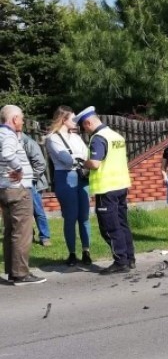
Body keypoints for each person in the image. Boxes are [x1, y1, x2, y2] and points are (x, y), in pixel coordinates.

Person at [75, 106, 135, 274]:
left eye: (84, 127)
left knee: (110, 227)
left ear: (88, 122)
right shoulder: (115, 135)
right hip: (121, 185)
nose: (85, 131)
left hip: (106, 189)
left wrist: (82, 162)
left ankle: (120, 261)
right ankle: (130, 259)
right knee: (123, 224)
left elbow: (95, 163)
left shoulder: (98, 138)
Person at [0, 105, 46, 285]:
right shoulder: (9, 135)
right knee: (22, 232)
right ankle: (20, 274)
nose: (23, 121)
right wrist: (19, 169)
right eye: (21, 118)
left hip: (5, 188)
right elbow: (8, 153)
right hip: (18, 189)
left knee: (10, 230)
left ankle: (12, 271)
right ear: (14, 119)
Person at [45, 105, 92, 266]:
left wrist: (78, 157)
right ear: (63, 119)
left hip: (81, 176)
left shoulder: (76, 137)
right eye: (73, 118)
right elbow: (66, 159)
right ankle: (72, 253)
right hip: (65, 176)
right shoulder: (53, 137)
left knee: (84, 216)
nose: (76, 121)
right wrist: (79, 157)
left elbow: (86, 154)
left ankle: (86, 251)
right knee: (70, 217)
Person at [21, 133, 51, 247]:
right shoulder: (9, 142)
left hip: (31, 183)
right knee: (22, 212)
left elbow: (40, 164)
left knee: (37, 211)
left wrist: (29, 179)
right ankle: (28, 235)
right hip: (16, 183)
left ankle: (45, 237)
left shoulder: (28, 142)